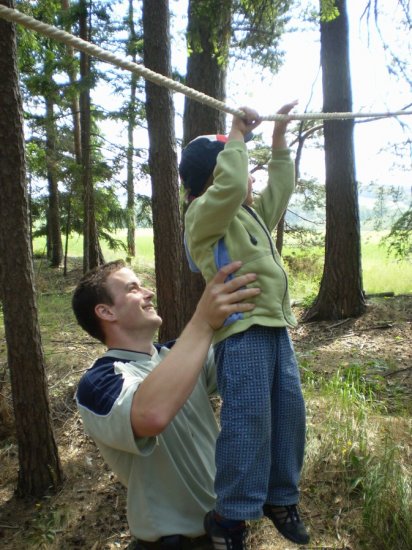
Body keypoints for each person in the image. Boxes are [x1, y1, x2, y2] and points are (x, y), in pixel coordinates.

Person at [179, 103, 309, 548]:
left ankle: (279, 497)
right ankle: (230, 515)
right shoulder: (202, 217)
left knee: (289, 414)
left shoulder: (246, 215)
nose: (248, 179)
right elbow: (233, 183)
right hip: (240, 331)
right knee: (248, 418)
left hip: (274, 325)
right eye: (236, 166)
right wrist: (235, 132)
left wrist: (277, 143)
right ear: (211, 181)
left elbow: (279, 191)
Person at [72, 259, 261, 550]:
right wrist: (203, 320)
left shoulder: (175, 356)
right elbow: (150, 415)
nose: (148, 293)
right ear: (106, 311)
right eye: (133, 288)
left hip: (227, 534)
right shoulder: (98, 383)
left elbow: (244, 357)